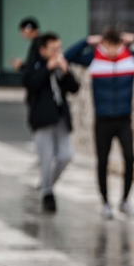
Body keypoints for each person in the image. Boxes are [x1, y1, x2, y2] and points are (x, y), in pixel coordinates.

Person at [65, 27, 134, 220]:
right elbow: (69, 56)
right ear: (103, 43)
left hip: (124, 119)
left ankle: (125, 200)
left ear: (121, 44)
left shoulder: (130, 58)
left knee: (130, 158)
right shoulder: (94, 59)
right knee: (102, 161)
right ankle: (105, 202)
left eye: (115, 46)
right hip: (103, 120)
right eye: (108, 45)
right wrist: (88, 41)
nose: (112, 50)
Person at [23, 33, 79, 213]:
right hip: (42, 119)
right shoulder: (34, 64)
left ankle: (47, 185)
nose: (57, 52)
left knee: (66, 155)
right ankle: (47, 194)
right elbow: (30, 84)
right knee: (45, 159)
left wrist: (66, 71)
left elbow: (75, 88)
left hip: (61, 117)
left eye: (59, 48)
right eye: (53, 49)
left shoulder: (61, 65)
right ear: (43, 50)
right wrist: (47, 68)